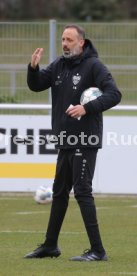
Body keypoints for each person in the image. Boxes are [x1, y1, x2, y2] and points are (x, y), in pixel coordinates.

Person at [24, 24, 121, 261]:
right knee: (59, 193)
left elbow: (114, 94)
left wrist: (86, 108)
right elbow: (36, 85)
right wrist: (33, 68)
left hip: (85, 139)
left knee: (82, 192)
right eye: (63, 39)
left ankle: (98, 251)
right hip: (66, 140)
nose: (65, 44)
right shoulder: (59, 65)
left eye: (69, 39)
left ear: (81, 43)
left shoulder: (94, 66)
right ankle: (50, 246)